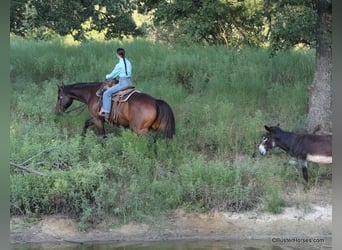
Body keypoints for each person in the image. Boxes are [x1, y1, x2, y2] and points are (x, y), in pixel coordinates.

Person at [99, 47, 133, 122]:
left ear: (117, 54)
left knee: (106, 93)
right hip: (129, 82)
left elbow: (113, 75)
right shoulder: (128, 62)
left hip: (123, 83)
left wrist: (106, 76)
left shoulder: (119, 65)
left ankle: (106, 112)